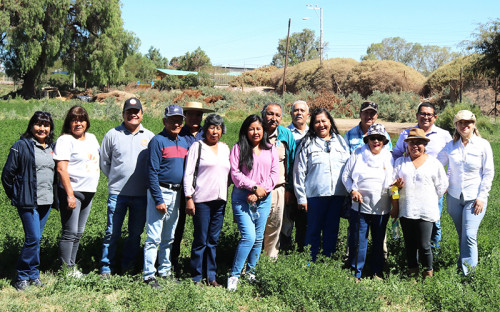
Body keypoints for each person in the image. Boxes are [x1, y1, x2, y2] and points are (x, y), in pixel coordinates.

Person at [99, 98, 155, 277]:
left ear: (142, 114)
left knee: (135, 233)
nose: (133, 114)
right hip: (118, 194)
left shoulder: (150, 136)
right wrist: (116, 179)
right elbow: (104, 162)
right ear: (123, 114)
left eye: (136, 111)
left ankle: (128, 266)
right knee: (111, 232)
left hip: (141, 195)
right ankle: (106, 267)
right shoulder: (112, 134)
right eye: (129, 111)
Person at [2, 111, 56, 291]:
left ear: (50, 128)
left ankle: (34, 274)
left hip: (46, 200)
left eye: (46, 125)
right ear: (31, 125)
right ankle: (22, 276)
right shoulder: (21, 145)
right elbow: (7, 175)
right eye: (38, 124)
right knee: (32, 238)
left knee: (37, 239)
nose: (42, 128)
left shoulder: (52, 147)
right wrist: (16, 195)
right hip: (27, 201)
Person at [437, 110, 494, 275]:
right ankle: (464, 265)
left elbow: (488, 172)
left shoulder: (483, 145)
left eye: (468, 122)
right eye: (460, 122)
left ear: (474, 124)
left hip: (474, 198)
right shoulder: (451, 146)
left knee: (469, 234)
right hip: (454, 197)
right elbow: (437, 165)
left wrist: (482, 197)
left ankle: (469, 275)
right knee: (463, 234)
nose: (464, 125)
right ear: (456, 125)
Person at [227, 114, 279, 290]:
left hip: (263, 199)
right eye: (251, 128)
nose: (255, 132)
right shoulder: (238, 148)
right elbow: (235, 174)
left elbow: (274, 175)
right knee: (248, 236)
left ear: (263, 130)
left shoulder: (270, 149)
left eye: (258, 128)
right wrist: (254, 187)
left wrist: (259, 192)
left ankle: (251, 272)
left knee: (258, 239)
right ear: (245, 131)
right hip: (242, 198)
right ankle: (234, 275)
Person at [393, 102, 452, 249]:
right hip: (410, 187)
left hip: (433, 186)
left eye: (429, 114)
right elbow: (396, 154)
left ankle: (433, 253)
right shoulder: (406, 134)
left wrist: (447, 181)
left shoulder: (444, 135)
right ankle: (414, 255)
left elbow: (454, 160)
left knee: (434, 221)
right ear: (417, 115)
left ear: (435, 117)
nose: (425, 117)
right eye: (422, 114)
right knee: (410, 219)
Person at [293, 108, 350, 261]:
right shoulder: (307, 143)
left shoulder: (340, 141)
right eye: (317, 122)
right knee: (313, 230)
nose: (321, 125)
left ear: (330, 122)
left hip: (336, 195)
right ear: (313, 125)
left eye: (324, 121)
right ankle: (310, 262)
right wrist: (301, 197)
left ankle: (328, 261)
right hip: (315, 196)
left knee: (332, 230)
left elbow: (348, 167)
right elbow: (299, 171)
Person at [392, 128, 448, 278]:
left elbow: (442, 187)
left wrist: (429, 200)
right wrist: (397, 186)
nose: (415, 146)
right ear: (407, 145)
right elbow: (392, 186)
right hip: (407, 209)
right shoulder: (400, 162)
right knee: (410, 245)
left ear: (425, 144)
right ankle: (412, 274)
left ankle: (428, 274)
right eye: (412, 142)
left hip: (426, 210)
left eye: (419, 143)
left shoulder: (434, 163)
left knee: (424, 245)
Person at [143, 105, 189, 289]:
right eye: (172, 119)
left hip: (177, 193)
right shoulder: (157, 141)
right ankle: (148, 275)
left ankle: (165, 271)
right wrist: (158, 199)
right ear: (164, 121)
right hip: (161, 192)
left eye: (179, 120)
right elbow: (152, 172)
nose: (176, 123)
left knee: (169, 236)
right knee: (153, 236)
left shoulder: (184, 142)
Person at [342, 124, 393, 280]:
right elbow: (346, 176)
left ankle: (376, 271)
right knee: (358, 240)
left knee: (378, 240)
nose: (376, 141)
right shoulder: (357, 154)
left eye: (379, 138)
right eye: (372, 138)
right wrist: (353, 191)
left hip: (382, 206)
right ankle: (356, 271)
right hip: (360, 205)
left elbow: (395, 180)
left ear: (384, 141)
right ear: (367, 140)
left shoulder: (389, 157)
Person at [183, 114, 230, 287]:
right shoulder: (198, 146)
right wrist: (189, 197)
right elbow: (188, 173)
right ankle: (196, 276)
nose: (215, 131)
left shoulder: (225, 148)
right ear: (205, 129)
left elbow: (229, 173)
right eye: (211, 127)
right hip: (202, 200)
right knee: (201, 239)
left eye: (218, 128)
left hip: (220, 200)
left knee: (213, 240)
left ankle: (211, 276)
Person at [53, 106, 100, 276]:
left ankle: (72, 267)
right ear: (69, 123)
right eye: (74, 120)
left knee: (79, 232)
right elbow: (61, 169)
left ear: (87, 122)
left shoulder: (92, 138)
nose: (78, 123)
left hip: (88, 192)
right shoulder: (65, 140)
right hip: (73, 192)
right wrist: (70, 195)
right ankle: (65, 270)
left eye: (81, 119)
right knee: (70, 232)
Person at [172, 101, 214, 269]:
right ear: (185, 116)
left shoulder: (208, 134)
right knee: (177, 225)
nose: (195, 118)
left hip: (204, 189)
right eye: (191, 114)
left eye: (198, 114)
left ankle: (200, 265)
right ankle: (171, 261)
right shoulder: (178, 134)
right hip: (181, 188)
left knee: (203, 229)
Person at [261, 103, 296, 258]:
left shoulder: (286, 135)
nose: (273, 118)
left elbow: (292, 162)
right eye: (270, 114)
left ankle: (270, 261)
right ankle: (252, 262)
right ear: (263, 114)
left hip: (278, 189)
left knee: (275, 226)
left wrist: (289, 189)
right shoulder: (256, 131)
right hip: (257, 190)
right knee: (255, 227)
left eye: (277, 115)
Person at [281, 100, 309, 252]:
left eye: (302, 111)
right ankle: (284, 252)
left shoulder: (313, 133)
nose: (299, 113)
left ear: (307, 114)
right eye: (296, 110)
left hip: (308, 188)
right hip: (289, 186)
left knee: (304, 222)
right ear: (291, 113)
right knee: (286, 221)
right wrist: (288, 188)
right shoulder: (284, 133)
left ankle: (300, 252)